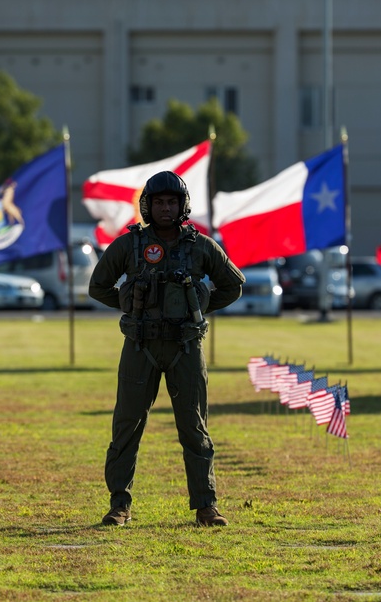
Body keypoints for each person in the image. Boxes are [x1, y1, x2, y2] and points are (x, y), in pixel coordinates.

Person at [88, 171, 245, 527]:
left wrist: (198, 307)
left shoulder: (201, 246)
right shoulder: (130, 246)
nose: (164, 208)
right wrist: (129, 305)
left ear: (182, 205)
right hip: (139, 346)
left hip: (185, 348)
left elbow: (233, 285)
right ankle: (119, 505)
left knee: (194, 426)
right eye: (158, 202)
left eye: (171, 201)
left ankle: (206, 506)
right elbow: (98, 286)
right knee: (127, 426)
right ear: (147, 205)